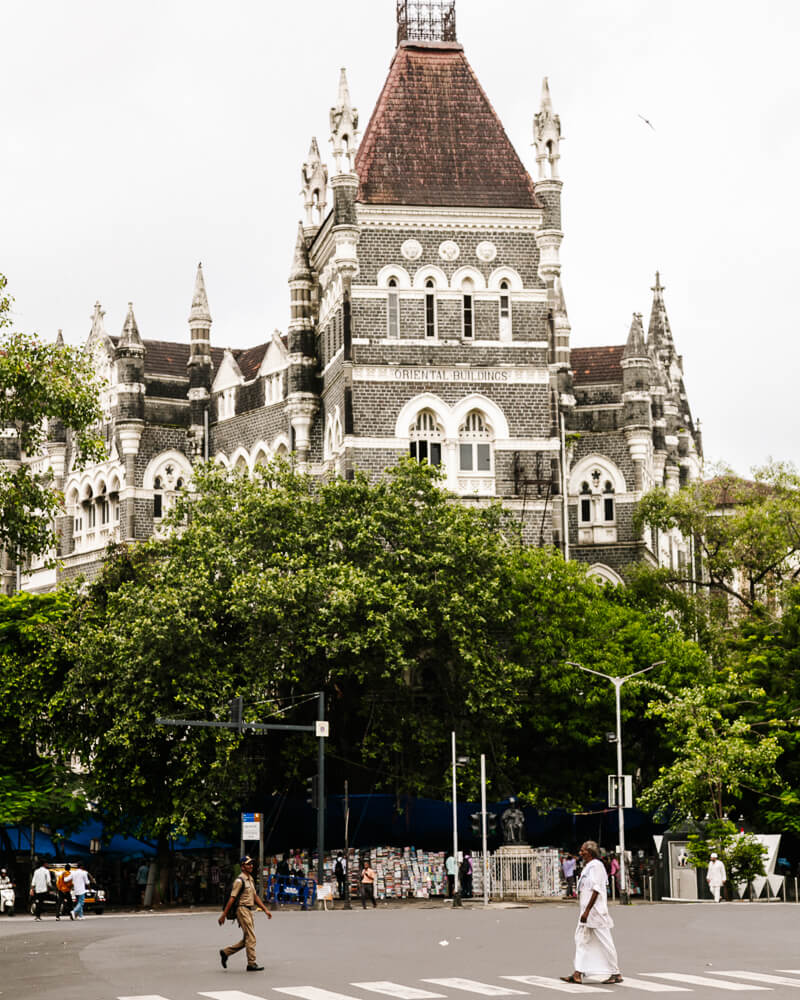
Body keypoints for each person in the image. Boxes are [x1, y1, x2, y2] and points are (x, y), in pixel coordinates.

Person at [561, 841, 622, 985]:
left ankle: (616, 972)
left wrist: (587, 911)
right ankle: (578, 973)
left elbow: (597, 890)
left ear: (590, 852)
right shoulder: (588, 867)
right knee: (581, 940)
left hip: (595, 913)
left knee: (605, 941)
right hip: (587, 913)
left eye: (583, 850)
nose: (580, 853)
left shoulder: (596, 866)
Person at [218, 855, 272, 972]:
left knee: (247, 939)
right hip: (242, 909)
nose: (251, 866)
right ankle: (251, 963)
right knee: (251, 938)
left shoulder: (250, 879)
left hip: (248, 909)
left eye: (251, 864)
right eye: (248, 864)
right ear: (242, 867)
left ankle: (226, 952)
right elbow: (232, 898)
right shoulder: (239, 880)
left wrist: (265, 909)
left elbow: (254, 896)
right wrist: (223, 915)